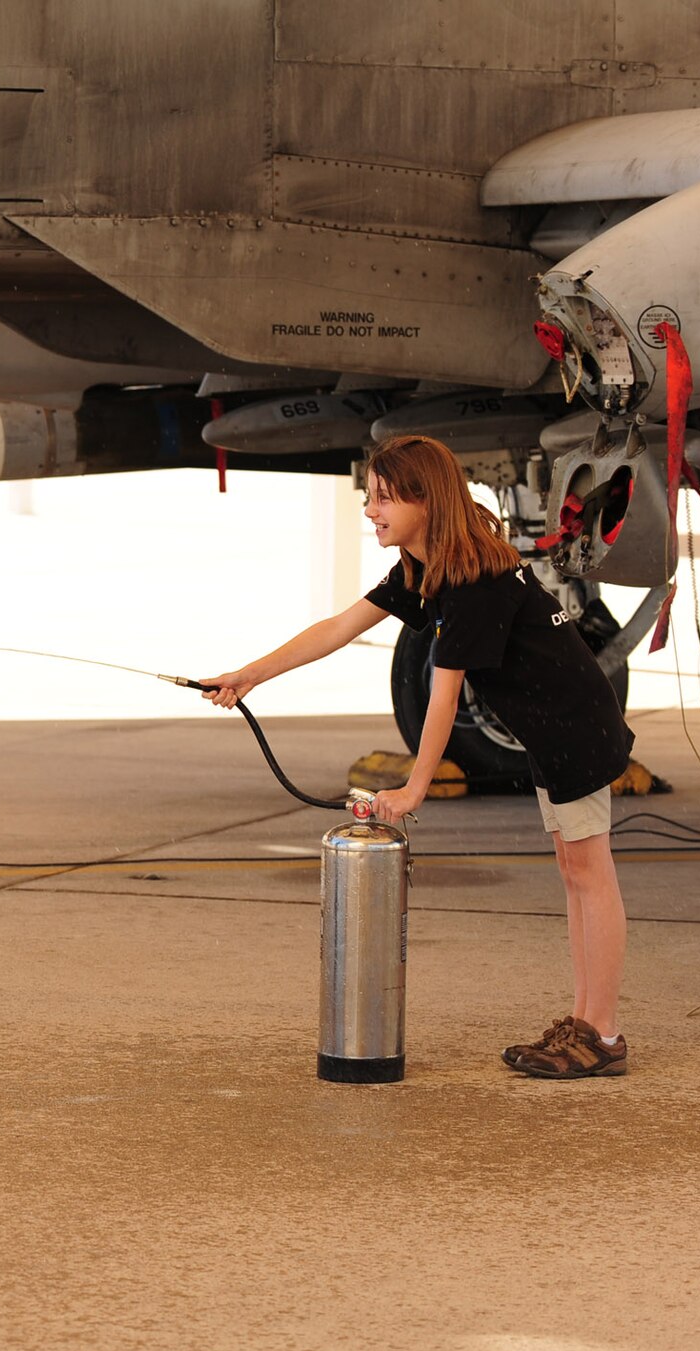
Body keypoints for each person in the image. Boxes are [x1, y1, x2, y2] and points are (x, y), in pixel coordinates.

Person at [204, 434, 635, 1079]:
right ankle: (587, 1022)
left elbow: (444, 691)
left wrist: (414, 789)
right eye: (369, 497)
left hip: (572, 728)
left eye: (383, 498)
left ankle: (601, 1032)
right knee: (577, 874)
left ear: (425, 501)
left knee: (588, 872)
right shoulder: (425, 567)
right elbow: (336, 628)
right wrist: (248, 675)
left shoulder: (472, 578)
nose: (369, 510)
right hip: (550, 728)